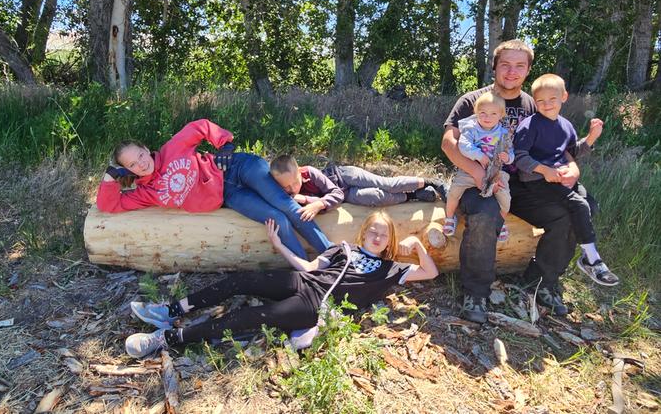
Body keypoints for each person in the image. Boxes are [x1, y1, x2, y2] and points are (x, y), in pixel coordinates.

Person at [124, 210, 439, 358]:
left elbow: (430, 272)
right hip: (302, 281)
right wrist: (280, 247)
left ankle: (169, 338)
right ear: (364, 233)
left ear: (389, 240)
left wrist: (416, 246)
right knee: (242, 280)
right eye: (373, 231)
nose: (378, 236)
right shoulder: (343, 248)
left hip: (315, 305)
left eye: (384, 234)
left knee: (247, 318)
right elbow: (308, 267)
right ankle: (171, 309)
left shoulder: (390, 270)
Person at [441, 39, 593, 323]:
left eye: (519, 66)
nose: (512, 72)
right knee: (485, 215)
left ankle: (541, 282)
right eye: (506, 65)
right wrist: (474, 172)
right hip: (480, 180)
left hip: (526, 184)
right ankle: (476, 291)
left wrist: (573, 168)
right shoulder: (473, 101)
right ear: (495, 67)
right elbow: (449, 143)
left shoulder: (535, 105)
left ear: (528, 70)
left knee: (580, 208)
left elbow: (562, 149)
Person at [96, 119, 331, 260]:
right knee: (278, 219)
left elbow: (201, 126)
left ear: (146, 149)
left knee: (286, 206)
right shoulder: (146, 193)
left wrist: (225, 144)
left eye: (140, 156)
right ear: (128, 170)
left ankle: (334, 256)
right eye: (132, 165)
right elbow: (109, 205)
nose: (141, 163)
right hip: (229, 195)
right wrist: (109, 178)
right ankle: (309, 270)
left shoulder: (172, 148)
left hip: (238, 167)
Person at [514, 73, 619, 286]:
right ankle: (593, 259)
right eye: (541, 101)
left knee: (589, 204)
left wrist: (591, 138)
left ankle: (559, 267)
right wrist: (544, 170)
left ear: (564, 96)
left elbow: (572, 152)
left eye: (552, 99)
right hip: (536, 181)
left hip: (559, 178)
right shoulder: (530, 125)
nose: (547, 104)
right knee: (578, 205)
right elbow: (519, 157)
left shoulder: (565, 125)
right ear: (535, 101)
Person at [269, 155, 447, 221]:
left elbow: (334, 193)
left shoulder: (310, 173)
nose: (293, 188)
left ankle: (430, 182)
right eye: (287, 186)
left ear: (300, 171)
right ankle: (415, 195)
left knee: (386, 184)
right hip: (346, 196)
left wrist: (317, 204)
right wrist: (309, 201)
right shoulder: (286, 194)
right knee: (376, 198)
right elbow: (334, 199)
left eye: (295, 182)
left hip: (344, 176)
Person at [443, 91, 514, 241]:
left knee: (505, 199)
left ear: (501, 115)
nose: (487, 117)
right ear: (476, 112)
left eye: (493, 113)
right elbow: (463, 145)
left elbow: (511, 152)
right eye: (482, 113)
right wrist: (480, 156)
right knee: (455, 190)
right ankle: (449, 217)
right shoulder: (471, 128)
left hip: (496, 172)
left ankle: (500, 223)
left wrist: (507, 158)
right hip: (469, 170)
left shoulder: (503, 133)